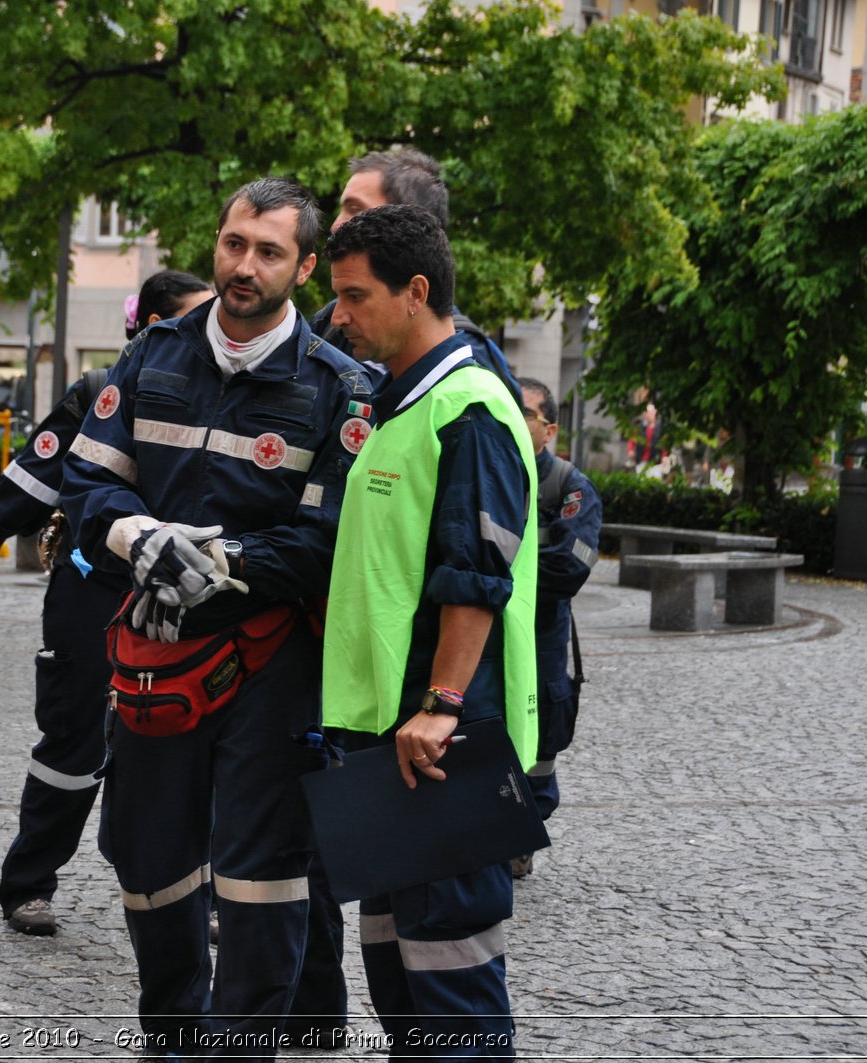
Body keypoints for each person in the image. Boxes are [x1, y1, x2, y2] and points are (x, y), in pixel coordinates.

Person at [61, 177, 375, 1060]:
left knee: (263, 879)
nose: (244, 265)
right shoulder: (151, 356)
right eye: (235, 243)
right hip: (153, 654)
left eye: (269, 251)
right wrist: (138, 535)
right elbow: (87, 477)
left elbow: (326, 540)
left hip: (270, 670)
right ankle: (171, 1035)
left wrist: (217, 564)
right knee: (148, 863)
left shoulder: (338, 389)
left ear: (306, 266)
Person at [0, 271, 212, 937]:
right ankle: (28, 884)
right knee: (72, 741)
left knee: (183, 746)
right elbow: (30, 480)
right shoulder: (97, 394)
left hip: (180, 601)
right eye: (192, 319)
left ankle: (192, 891)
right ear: (151, 329)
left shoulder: (218, 398)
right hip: (93, 590)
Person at [319, 205, 538, 1059]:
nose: (339, 315)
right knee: (400, 979)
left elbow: (475, 574)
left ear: (416, 292)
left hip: (445, 744)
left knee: (454, 993)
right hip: (388, 744)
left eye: (354, 296)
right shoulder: (400, 403)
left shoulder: (470, 407)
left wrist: (444, 702)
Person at [312, 147, 520, 400]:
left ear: (407, 222)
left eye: (355, 210)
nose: (336, 224)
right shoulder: (331, 327)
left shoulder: (473, 377)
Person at [512, 377, 601, 878]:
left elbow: (570, 568)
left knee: (540, 745)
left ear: (549, 430)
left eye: (525, 414)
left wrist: (500, 574)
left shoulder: (570, 486)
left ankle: (525, 832)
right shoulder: (491, 473)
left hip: (542, 639)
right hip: (488, 635)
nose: (514, 419)